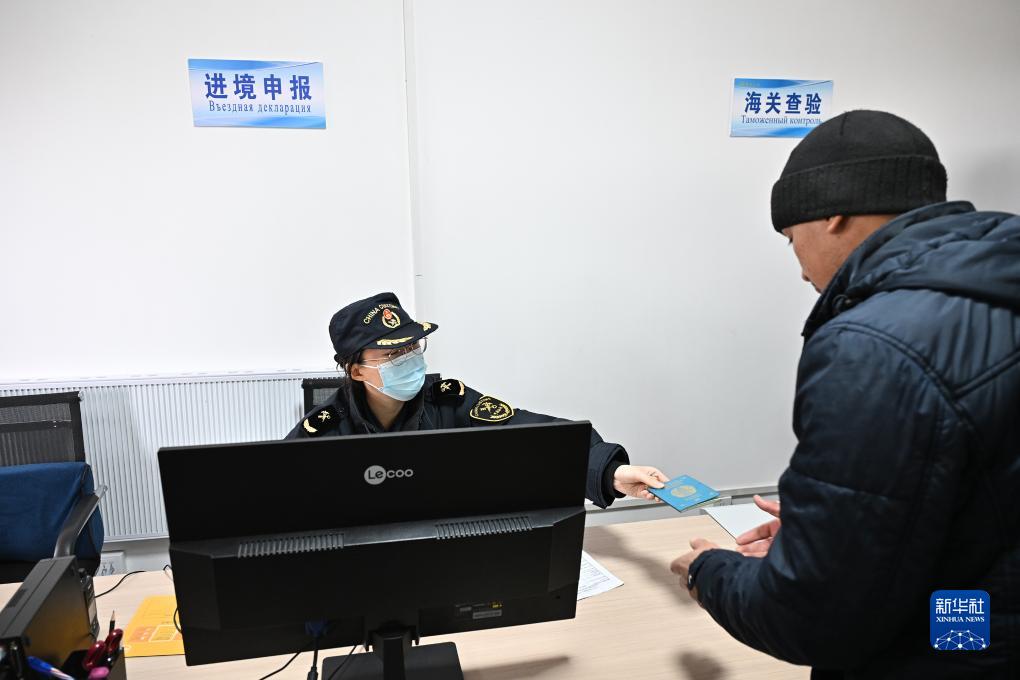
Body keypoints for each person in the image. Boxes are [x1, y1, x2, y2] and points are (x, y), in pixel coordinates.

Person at [669, 111, 1019, 678]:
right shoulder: (994, 289)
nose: (800, 269)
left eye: (791, 240)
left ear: (832, 215)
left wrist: (708, 572)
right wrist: (833, 527)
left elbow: (813, 615)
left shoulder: (874, 344)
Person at [286, 292, 667, 508]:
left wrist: (610, 472)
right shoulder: (325, 428)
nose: (408, 359)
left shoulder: (450, 402)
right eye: (392, 354)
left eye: (412, 347)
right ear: (356, 371)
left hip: (443, 552)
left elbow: (535, 436)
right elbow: (281, 496)